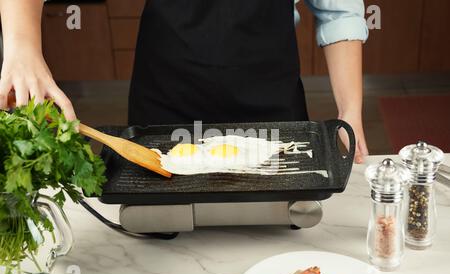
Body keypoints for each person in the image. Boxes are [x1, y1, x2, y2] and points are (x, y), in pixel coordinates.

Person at [0, 0, 369, 163]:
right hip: (167, 99)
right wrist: (22, 45)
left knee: (275, 249)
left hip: (270, 101)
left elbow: (339, 11)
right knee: (162, 244)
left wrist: (350, 110)